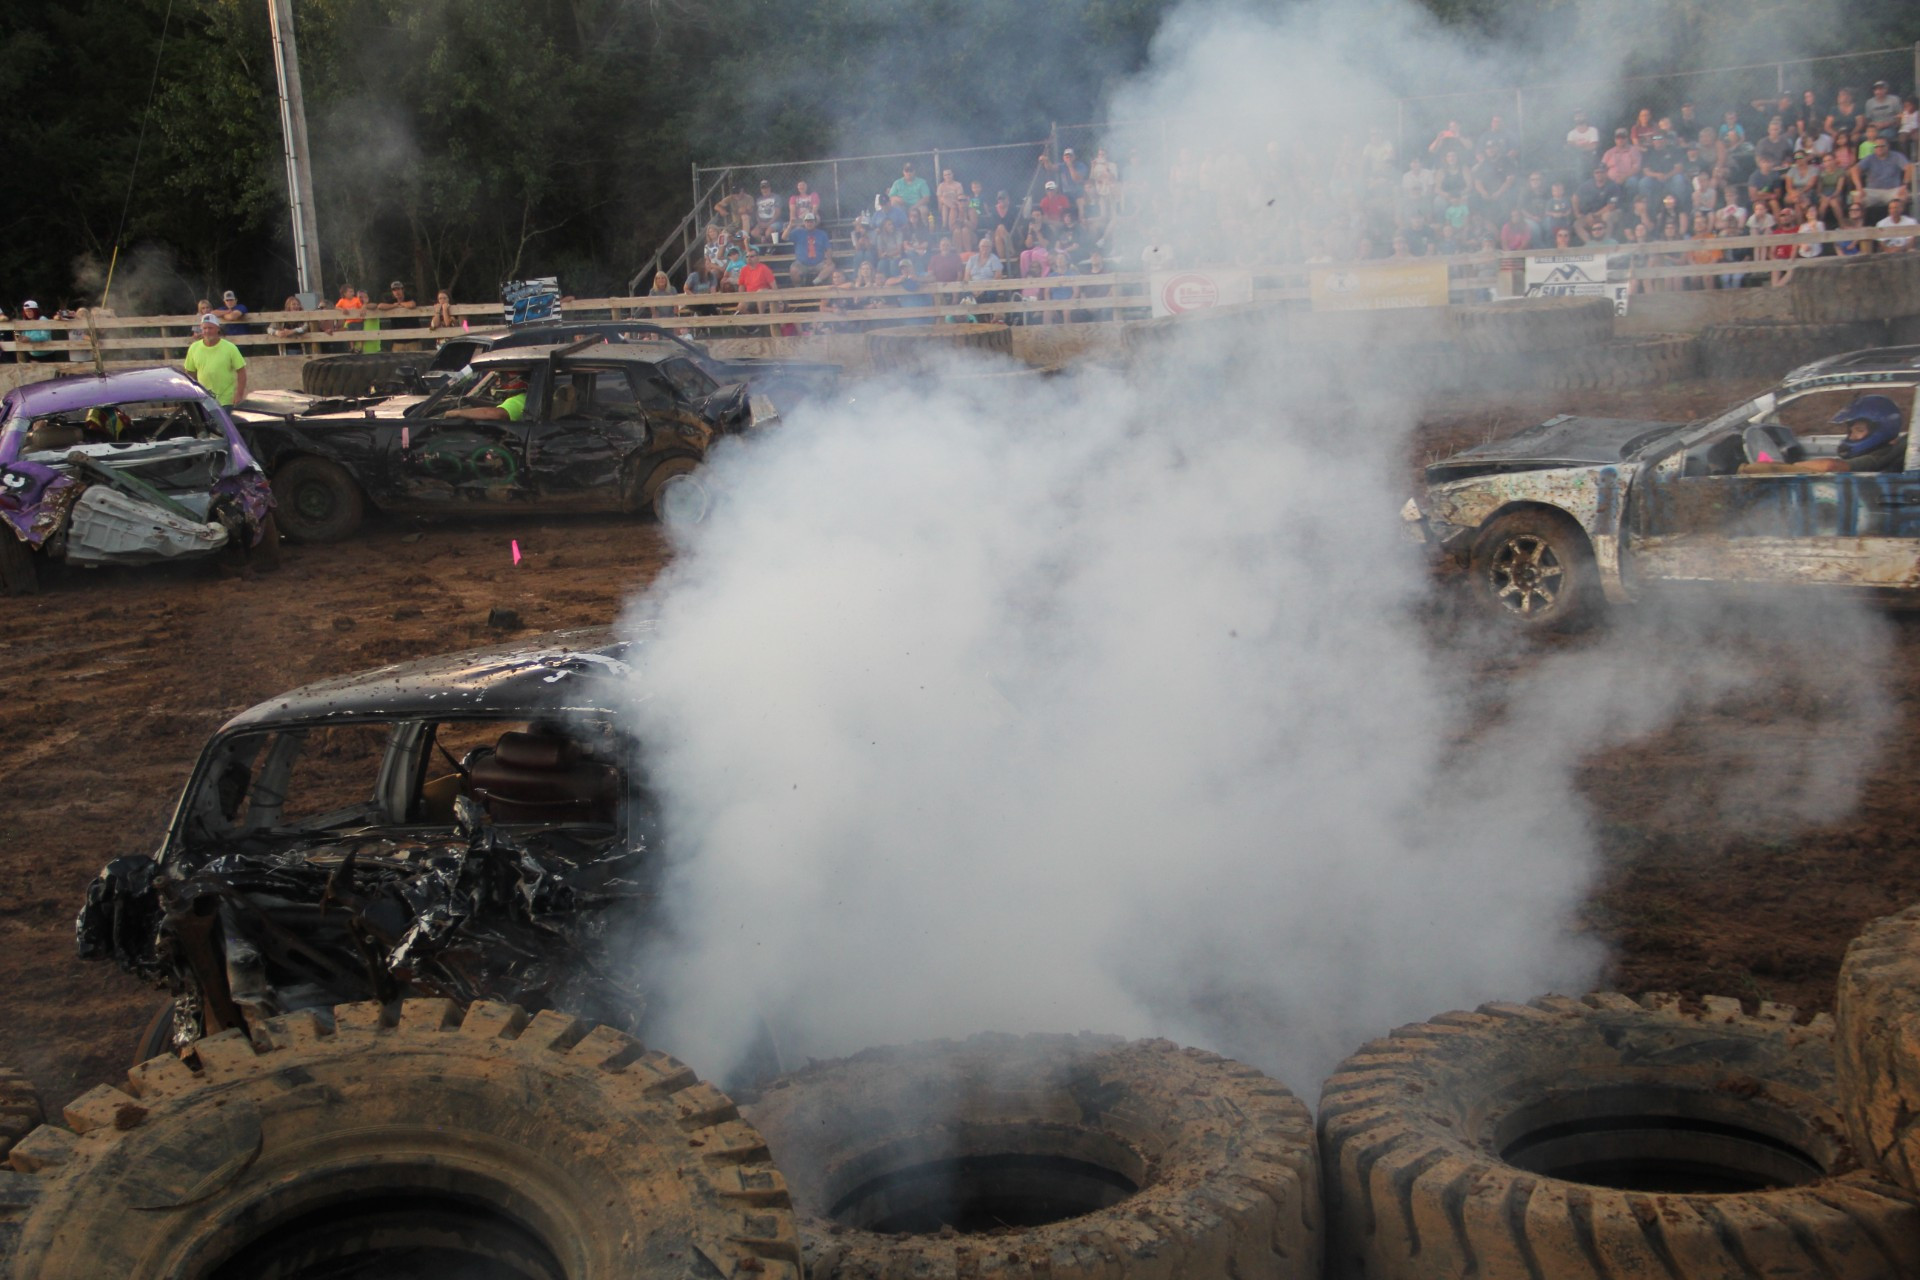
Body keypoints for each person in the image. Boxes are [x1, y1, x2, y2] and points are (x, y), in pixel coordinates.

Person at [182, 315, 248, 405]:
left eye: (210, 328)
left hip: (226, 401)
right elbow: (190, 373)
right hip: (204, 401)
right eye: (204, 328)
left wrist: (239, 395)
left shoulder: (230, 348)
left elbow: (241, 372)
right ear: (201, 329)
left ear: (218, 329)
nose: (207, 331)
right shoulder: (194, 348)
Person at [1833, 395, 1907, 471]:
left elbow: (1831, 466)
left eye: (1859, 430)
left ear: (1880, 431)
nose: (1852, 437)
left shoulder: (1882, 455)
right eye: (1851, 431)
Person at [447, 369, 530, 422]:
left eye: (503, 378)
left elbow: (495, 414)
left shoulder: (523, 399)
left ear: (517, 381)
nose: (498, 382)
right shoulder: (528, 398)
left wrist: (457, 413)